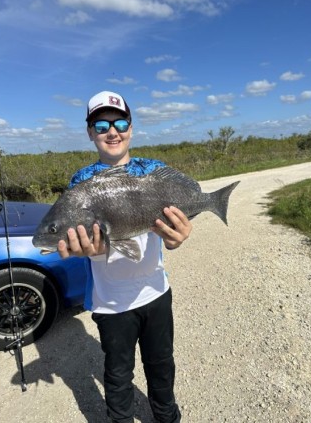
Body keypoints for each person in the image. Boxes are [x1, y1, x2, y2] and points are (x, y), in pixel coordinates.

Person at [58, 90, 192, 423]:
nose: (112, 131)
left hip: (156, 292)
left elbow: (170, 227)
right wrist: (90, 250)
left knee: (161, 364)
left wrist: (178, 238)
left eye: (120, 122)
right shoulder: (81, 183)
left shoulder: (153, 170)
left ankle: (167, 416)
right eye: (101, 125)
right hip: (112, 303)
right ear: (90, 133)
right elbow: (88, 244)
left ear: (131, 128)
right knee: (118, 374)